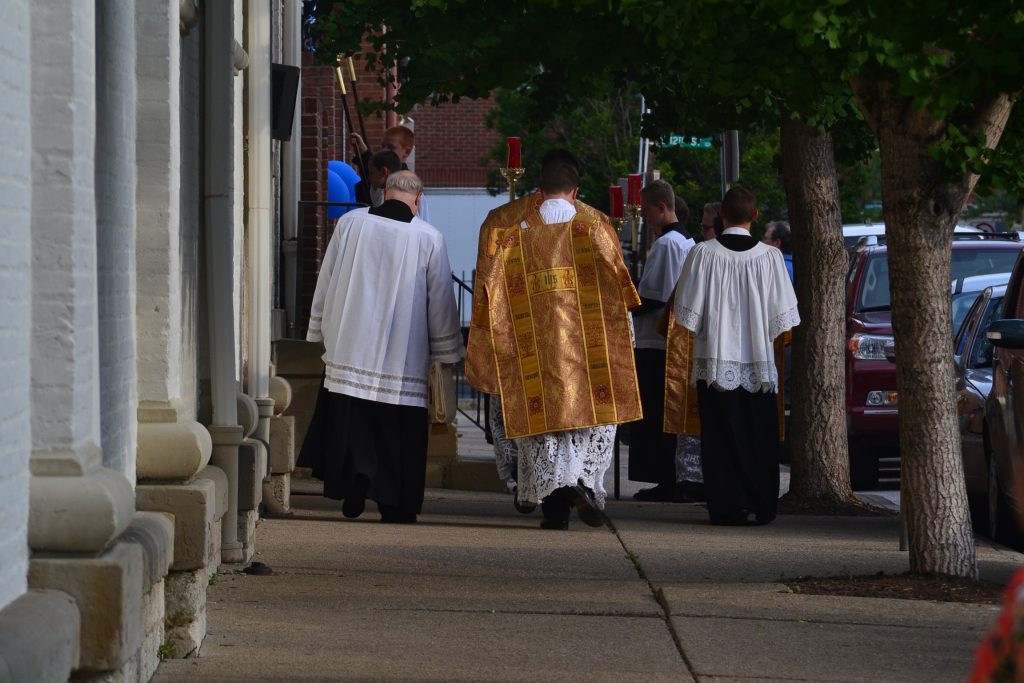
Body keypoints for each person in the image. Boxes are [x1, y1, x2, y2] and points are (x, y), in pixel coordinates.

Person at [466, 149, 642, 530]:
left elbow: (488, 292)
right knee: (582, 422)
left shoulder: (506, 225)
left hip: (532, 349)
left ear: (539, 187)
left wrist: (488, 342)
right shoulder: (596, 226)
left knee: (540, 425)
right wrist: (623, 337)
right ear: (575, 190)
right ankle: (580, 485)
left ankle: (550, 502)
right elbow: (618, 290)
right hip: (585, 348)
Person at [299, 171, 463, 524]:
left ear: (383, 194)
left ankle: (354, 486)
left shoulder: (350, 224)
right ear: (418, 200)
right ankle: (395, 504)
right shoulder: (429, 237)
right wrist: (446, 353)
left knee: (354, 422)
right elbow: (440, 302)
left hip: (351, 345)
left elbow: (326, 278)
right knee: (395, 431)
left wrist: (319, 329)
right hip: (401, 354)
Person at [669, 186, 799, 525]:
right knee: (758, 436)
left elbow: (685, 315)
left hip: (716, 360)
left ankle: (727, 506)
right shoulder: (770, 258)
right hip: (757, 362)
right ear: (755, 217)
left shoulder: (703, 254)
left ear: (720, 216)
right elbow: (784, 318)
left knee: (721, 437)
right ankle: (761, 503)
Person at [629, 181, 696, 502]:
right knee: (660, 413)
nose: (643, 217)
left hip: (656, 341)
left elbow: (656, 296)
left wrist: (622, 298)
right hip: (664, 340)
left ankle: (665, 479)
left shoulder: (669, 244)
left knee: (656, 414)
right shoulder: (685, 241)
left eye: (645, 211)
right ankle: (666, 478)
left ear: (660, 207)